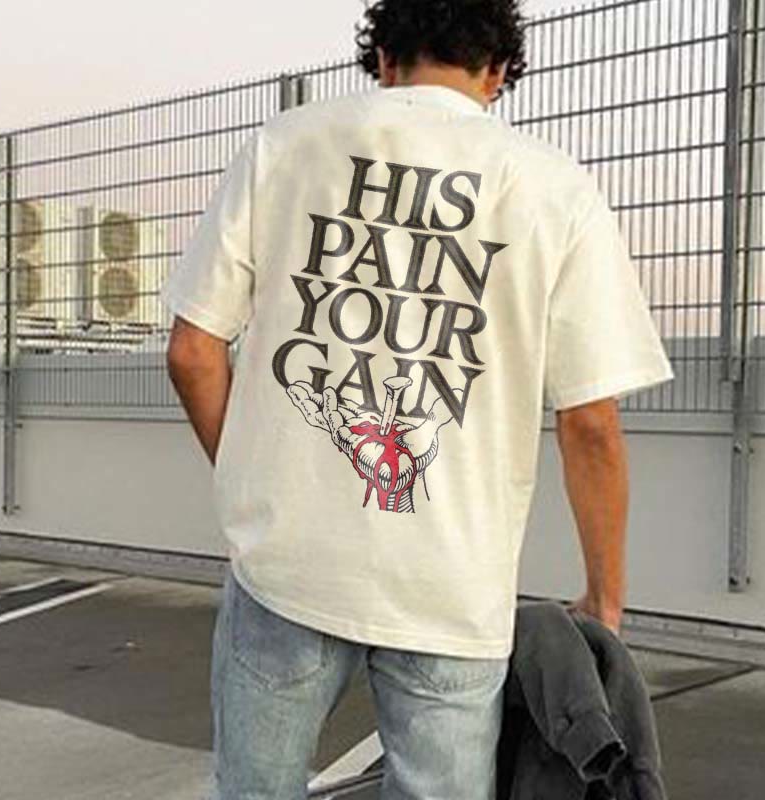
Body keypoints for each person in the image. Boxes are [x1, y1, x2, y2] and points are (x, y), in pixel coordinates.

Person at [161, 0, 675, 797]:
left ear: (383, 59)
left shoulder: (288, 145)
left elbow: (193, 351)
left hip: (286, 565)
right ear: (498, 71)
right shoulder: (554, 188)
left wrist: (250, 485)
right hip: (452, 589)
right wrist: (605, 597)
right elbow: (591, 424)